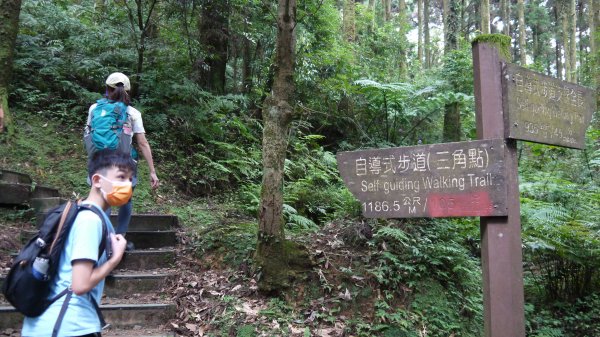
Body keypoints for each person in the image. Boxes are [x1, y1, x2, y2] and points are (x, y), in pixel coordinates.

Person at [21, 149, 134, 337]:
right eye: (121, 177)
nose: (127, 185)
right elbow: (80, 285)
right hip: (66, 326)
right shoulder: (90, 220)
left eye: (130, 179)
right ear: (97, 180)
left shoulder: (85, 213)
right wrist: (114, 260)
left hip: (56, 322)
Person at [85, 72, 159, 251]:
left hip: (99, 162)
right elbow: (142, 142)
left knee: (103, 198)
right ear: (127, 91)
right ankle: (119, 238)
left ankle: (103, 239)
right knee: (125, 199)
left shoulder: (94, 108)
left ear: (107, 89)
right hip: (124, 163)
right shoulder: (132, 113)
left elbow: (89, 134)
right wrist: (152, 171)